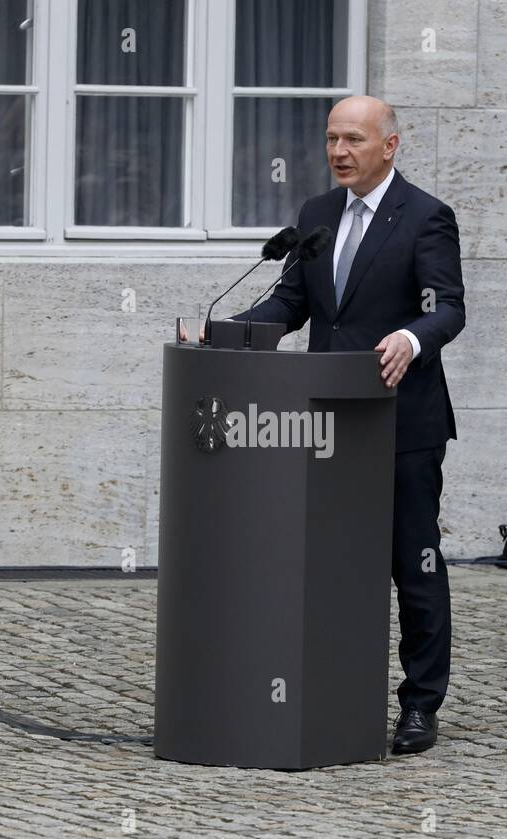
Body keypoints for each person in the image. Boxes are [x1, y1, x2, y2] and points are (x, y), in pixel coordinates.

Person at [183, 95, 465, 755]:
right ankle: (330, 689)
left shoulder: (426, 217)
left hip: (401, 426)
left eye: (354, 140)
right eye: (332, 139)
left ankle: (420, 706)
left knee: (413, 565)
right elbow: (292, 300)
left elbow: (446, 307)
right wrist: (229, 334)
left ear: (390, 145)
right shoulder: (315, 215)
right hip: (326, 421)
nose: (339, 151)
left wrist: (410, 339)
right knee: (329, 564)